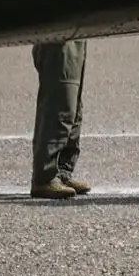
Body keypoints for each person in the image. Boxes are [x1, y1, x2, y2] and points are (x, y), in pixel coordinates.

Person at [29, 40, 89, 199]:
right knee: (61, 100)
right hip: (59, 37)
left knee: (73, 103)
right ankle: (45, 177)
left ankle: (63, 170)